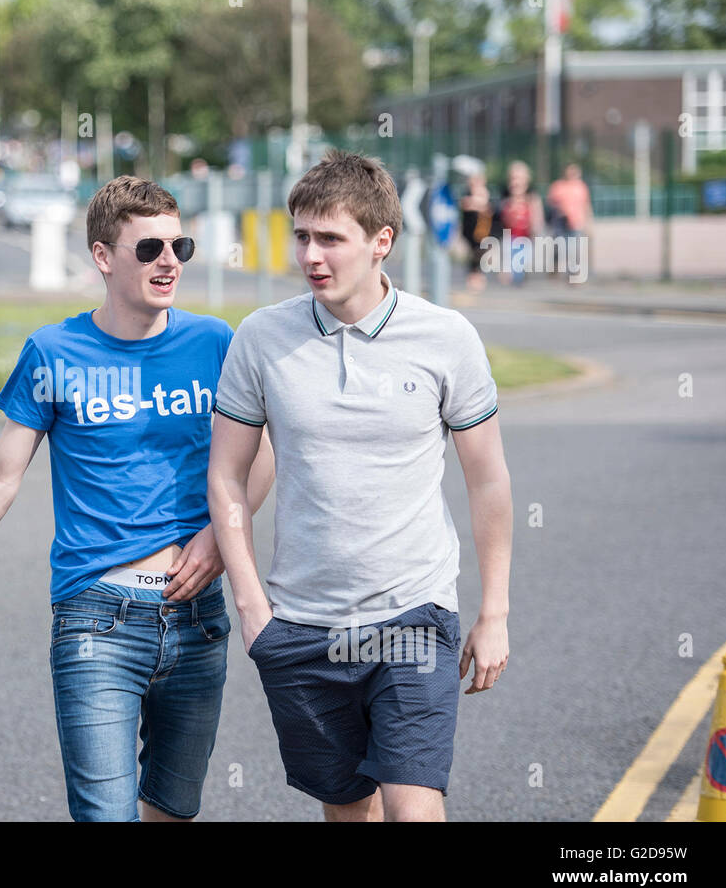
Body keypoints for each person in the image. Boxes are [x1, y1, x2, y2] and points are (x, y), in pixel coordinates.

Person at [0, 175, 275, 822]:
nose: (167, 262)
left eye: (178, 247)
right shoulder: (54, 351)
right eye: (148, 248)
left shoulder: (214, 343)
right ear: (102, 256)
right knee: (105, 813)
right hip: (96, 617)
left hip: (197, 616)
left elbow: (258, 452)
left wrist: (219, 537)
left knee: (173, 808)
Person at [208, 149, 512, 822]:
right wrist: (253, 606)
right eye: (302, 236)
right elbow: (228, 473)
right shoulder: (261, 338)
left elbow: (487, 479)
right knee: (349, 809)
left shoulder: (446, 337)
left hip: (412, 613)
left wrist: (495, 612)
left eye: (330, 238)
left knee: (413, 807)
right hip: (302, 623)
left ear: (381, 242)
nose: (311, 255)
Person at [498, 160, 543, 286]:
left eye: (519, 178)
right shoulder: (506, 197)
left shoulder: (532, 198)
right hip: (509, 237)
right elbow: (502, 218)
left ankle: (519, 279)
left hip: (526, 237)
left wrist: (536, 230)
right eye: (513, 178)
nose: (516, 182)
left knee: (520, 268)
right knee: (508, 270)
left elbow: (537, 218)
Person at [546, 162, 593, 282]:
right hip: (561, 222)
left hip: (576, 223)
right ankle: (554, 268)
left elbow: (586, 205)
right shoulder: (558, 186)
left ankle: (572, 274)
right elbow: (550, 204)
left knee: (574, 249)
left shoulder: (581, 187)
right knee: (559, 247)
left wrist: (589, 223)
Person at [458, 171, 495, 293]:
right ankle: (473, 279)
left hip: (481, 231)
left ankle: (478, 278)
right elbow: (465, 204)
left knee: (479, 254)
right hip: (470, 231)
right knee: (472, 255)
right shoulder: (468, 192)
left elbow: (483, 205)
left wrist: (473, 203)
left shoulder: (483, 192)